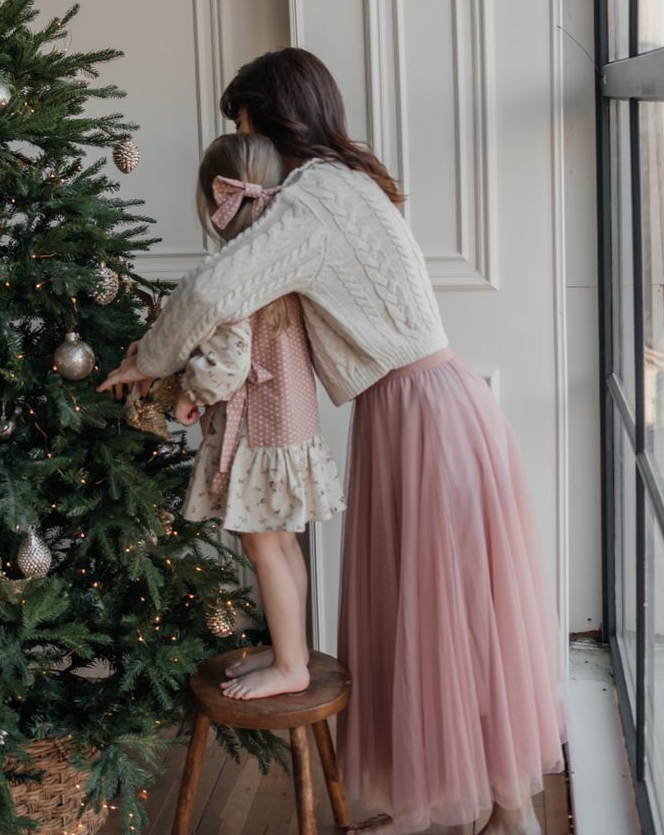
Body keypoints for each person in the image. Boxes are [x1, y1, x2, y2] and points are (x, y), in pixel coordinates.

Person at [98, 48, 566, 835]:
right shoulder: (349, 184)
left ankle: (504, 818)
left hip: (420, 417)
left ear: (271, 121)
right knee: (460, 619)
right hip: (440, 406)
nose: (249, 154)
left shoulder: (307, 202)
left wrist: (145, 359)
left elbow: (214, 288)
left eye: (246, 129)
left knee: (447, 620)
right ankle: (500, 812)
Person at [172, 132, 345, 700]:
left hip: (259, 434)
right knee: (283, 542)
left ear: (214, 200)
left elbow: (226, 363)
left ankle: (291, 664)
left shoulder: (237, 273)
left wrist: (189, 393)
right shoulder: (283, 262)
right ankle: (287, 647)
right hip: (291, 428)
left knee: (261, 546)